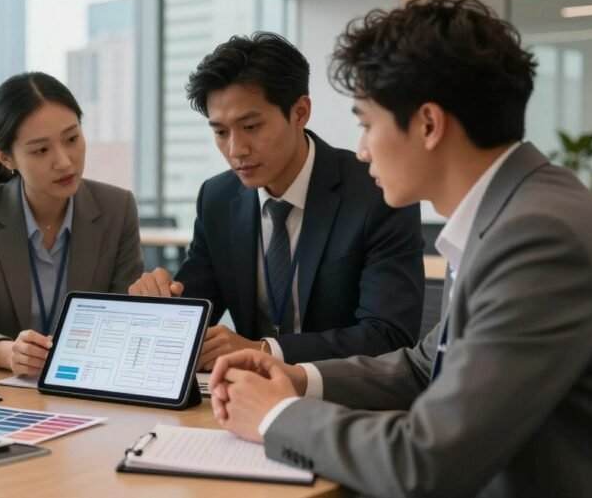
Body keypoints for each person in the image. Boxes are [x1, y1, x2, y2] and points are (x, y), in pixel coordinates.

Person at [210, 0, 592, 497]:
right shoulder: (515, 211)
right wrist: (296, 376)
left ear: (428, 124)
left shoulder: (538, 237)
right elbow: (427, 365)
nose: (361, 149)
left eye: (366, 123)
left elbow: (427, 462)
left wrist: (277, 416)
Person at [129, 32, 424, 368]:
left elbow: (389, 336)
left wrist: (265, 351)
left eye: (251, 127)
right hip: (240, 401)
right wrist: (159, 301)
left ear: (299, 112)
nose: (235, 150)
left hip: (343, 401)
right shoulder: (217, 198)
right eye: (220, 132)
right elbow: (193, 311)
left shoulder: (376, 192)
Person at [0, 71, 143, 374]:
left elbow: (123, 317)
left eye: (72, 139)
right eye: (41, 150)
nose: (64, 161)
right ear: (6, 158)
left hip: (81, 378)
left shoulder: (117, 208)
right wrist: (10, 352)